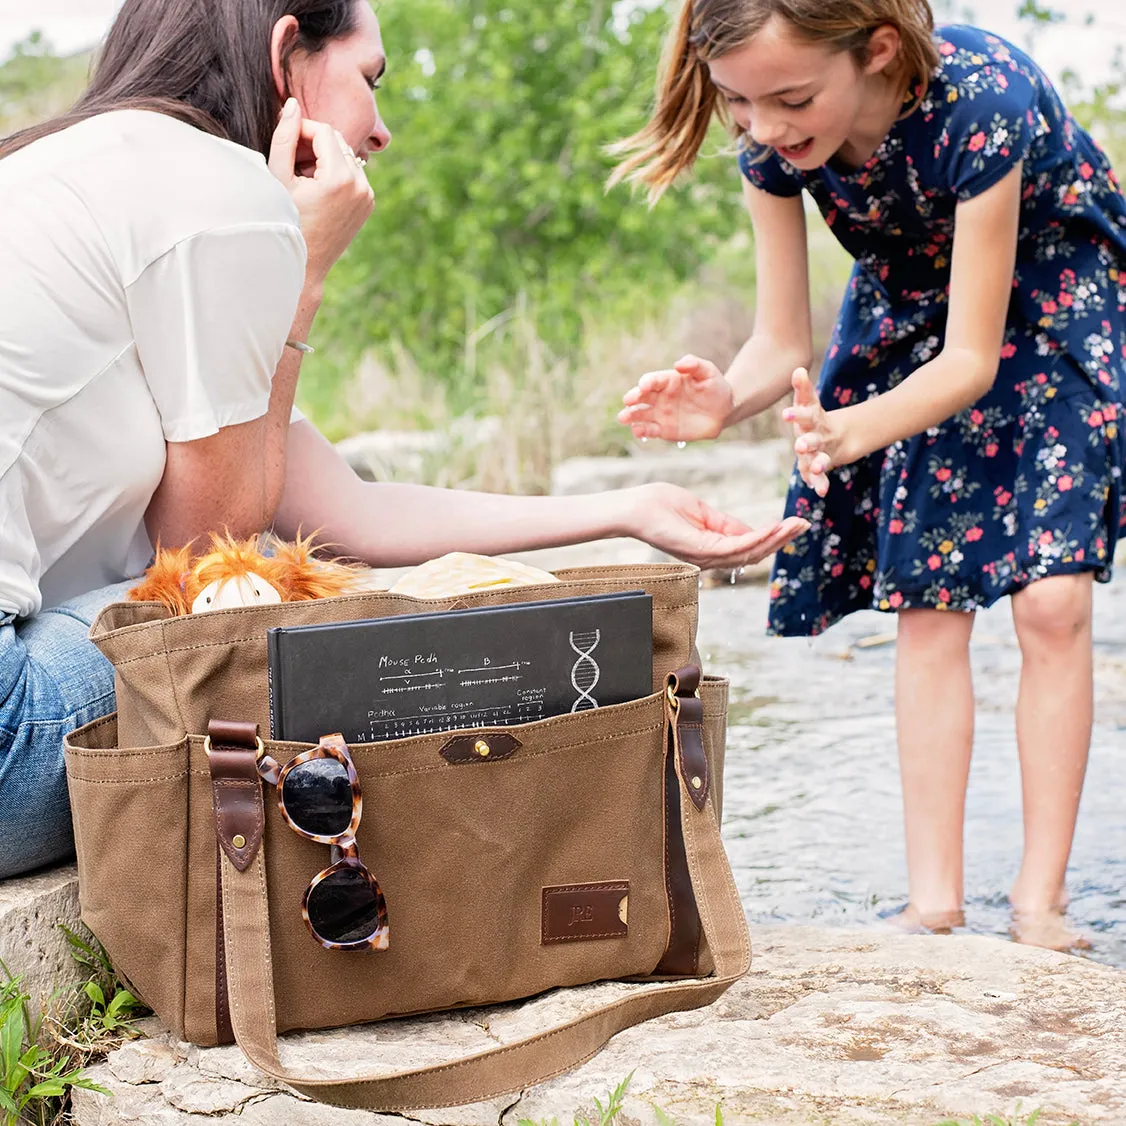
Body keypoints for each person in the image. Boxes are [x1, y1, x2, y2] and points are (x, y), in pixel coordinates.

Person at [0, 0, 808, 882]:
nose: (380, 131)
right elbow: (212, 557)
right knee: (298, 617)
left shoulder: (67, 168)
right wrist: (302, 277)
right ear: (286, 57)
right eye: (370, 81)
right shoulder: (219, 195)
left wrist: (628, 509)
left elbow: (347, 510)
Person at [611, 0, 1126, 950]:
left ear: (876, 51)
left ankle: (1041, 904)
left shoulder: (985, 100)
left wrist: (849, 433)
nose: (763, 129)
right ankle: (935, 903)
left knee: (1053, 604)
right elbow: (780, 340)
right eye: (738, 105)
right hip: (911, 309)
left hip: (1051, 302)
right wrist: (724, 400)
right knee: (930, 600)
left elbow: (973, 361)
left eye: (792, 99)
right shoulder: (773, 141)